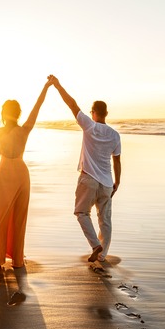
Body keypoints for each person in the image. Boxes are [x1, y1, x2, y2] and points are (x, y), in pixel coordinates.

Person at [0, 79, 53, 268]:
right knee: (19, 218)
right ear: (18, 114)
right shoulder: (24, 130)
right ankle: (17, 261)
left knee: (0, 217)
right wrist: (46, 87)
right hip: (21, 175)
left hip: (3, 174)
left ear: (3, 113)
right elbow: (37, 107)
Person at [48, 74, 121, 263]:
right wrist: (117, 182)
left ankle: (96, 245)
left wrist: (57, 85)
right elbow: (117, 161)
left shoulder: (89, 125)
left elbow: (72, 104)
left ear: (94, 112)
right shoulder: (114, 135)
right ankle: (102, 255)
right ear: (106, 113)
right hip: (106, 183)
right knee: (105, 220)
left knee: (82, 213)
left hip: (88, 178)